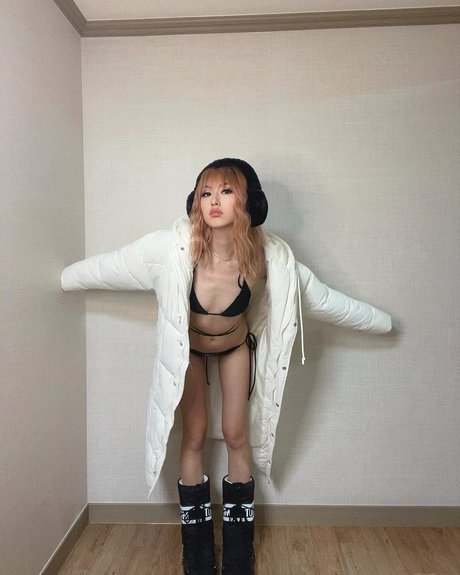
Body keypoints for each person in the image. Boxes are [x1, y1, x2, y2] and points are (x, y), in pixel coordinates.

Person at [61, 158, 392, 575]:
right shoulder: (172, 248)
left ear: (248, 201)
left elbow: (323, 300)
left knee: (236, 433)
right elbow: (114, 266)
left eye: (226, 191)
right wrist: (64, 278)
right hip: (190, 352)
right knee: (194, 433)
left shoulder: (269, 258)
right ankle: (196, 547)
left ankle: (238, 546)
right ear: (195, 203)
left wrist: (383, 323)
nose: (214, 200)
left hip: (236, 348)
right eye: (206, 192)